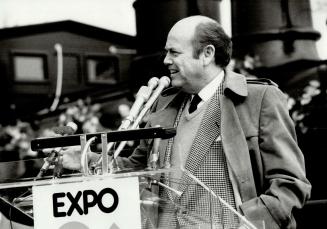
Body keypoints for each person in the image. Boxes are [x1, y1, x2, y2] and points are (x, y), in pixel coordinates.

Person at [61, 15, 311, 229]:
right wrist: (84, 158)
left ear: (207, 54)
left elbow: (290, 184)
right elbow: (135, 169)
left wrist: (249, 224)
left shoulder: (259, 99)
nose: (165, 60)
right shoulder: (164, 104)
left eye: (174, 52)